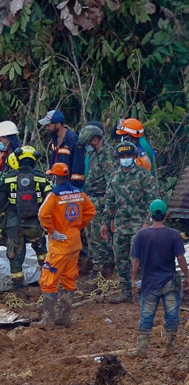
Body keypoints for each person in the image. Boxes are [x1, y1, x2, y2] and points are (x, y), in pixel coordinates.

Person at [126, 199, 189, 358]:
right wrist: (188, 277)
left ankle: (141, 350)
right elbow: (181, 259)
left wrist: (134, 279)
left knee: (147, 316)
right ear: (166, 214)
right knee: (172, 316)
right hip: (170, 282)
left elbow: (136, 261)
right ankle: (170, 347)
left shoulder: (141, 235)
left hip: (149, 283)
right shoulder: (174, 234)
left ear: (150, 214)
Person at [35, 163, 95, 327]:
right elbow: (90, 210)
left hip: (59, 246)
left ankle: (48, 319)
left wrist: (53, 231)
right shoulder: (79, 193)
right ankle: (65, 317)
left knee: (48, 280)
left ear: (55, 177)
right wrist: (77, 227)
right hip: (74, 243)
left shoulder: (54, 195)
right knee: (68, 280)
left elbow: (42, 214)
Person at [100, 141, 158, 303]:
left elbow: (153, 200)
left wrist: (147, 222)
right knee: (121, 260)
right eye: (122, 156)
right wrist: (105, 222)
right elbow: (110, 201)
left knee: (139, 260)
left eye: (128, 156)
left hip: (139, 227)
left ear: (134, 156)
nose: (125, 158)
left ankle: (143, 293)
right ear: (118, 158)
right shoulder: (114, 176)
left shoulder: (143, 176)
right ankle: (125, 292)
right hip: (120, 227)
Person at [0, 146, 52, 289]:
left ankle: (19, 287)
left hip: (14, 225)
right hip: (35, 223)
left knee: (16, 256)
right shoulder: (42, 177)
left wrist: (1, 223)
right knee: (41, 252)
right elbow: (50, 200)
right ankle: (48, 280)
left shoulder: (8, 178)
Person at [78, 123, 117, 280]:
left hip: (102, 200)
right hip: (92, 198)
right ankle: (98, 264)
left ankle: (100, 270)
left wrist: (109, 206)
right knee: (91, 236)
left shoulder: (108, 155)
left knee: (98, 236)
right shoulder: (95, 154)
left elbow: (111, 183)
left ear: (94, 140)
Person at [38, 110, 86, 189]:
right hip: (57, 184)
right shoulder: (54, 139)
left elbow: (78, 166)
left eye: (49, 125)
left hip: (70, 186)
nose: (46, 128)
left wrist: (73, 187)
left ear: (58, 125)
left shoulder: (72, 139)